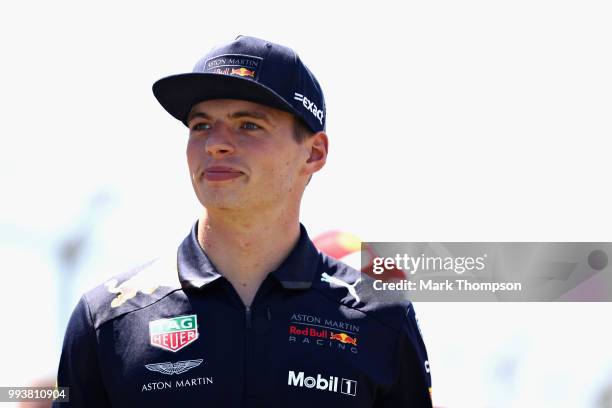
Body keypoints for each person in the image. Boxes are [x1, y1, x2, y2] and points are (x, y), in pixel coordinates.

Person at [53, 35, 433, 407]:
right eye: (200, 125)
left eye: (248, 125)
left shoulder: (381, 316)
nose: (215, 144)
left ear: (314, 153)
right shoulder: (108, 316)